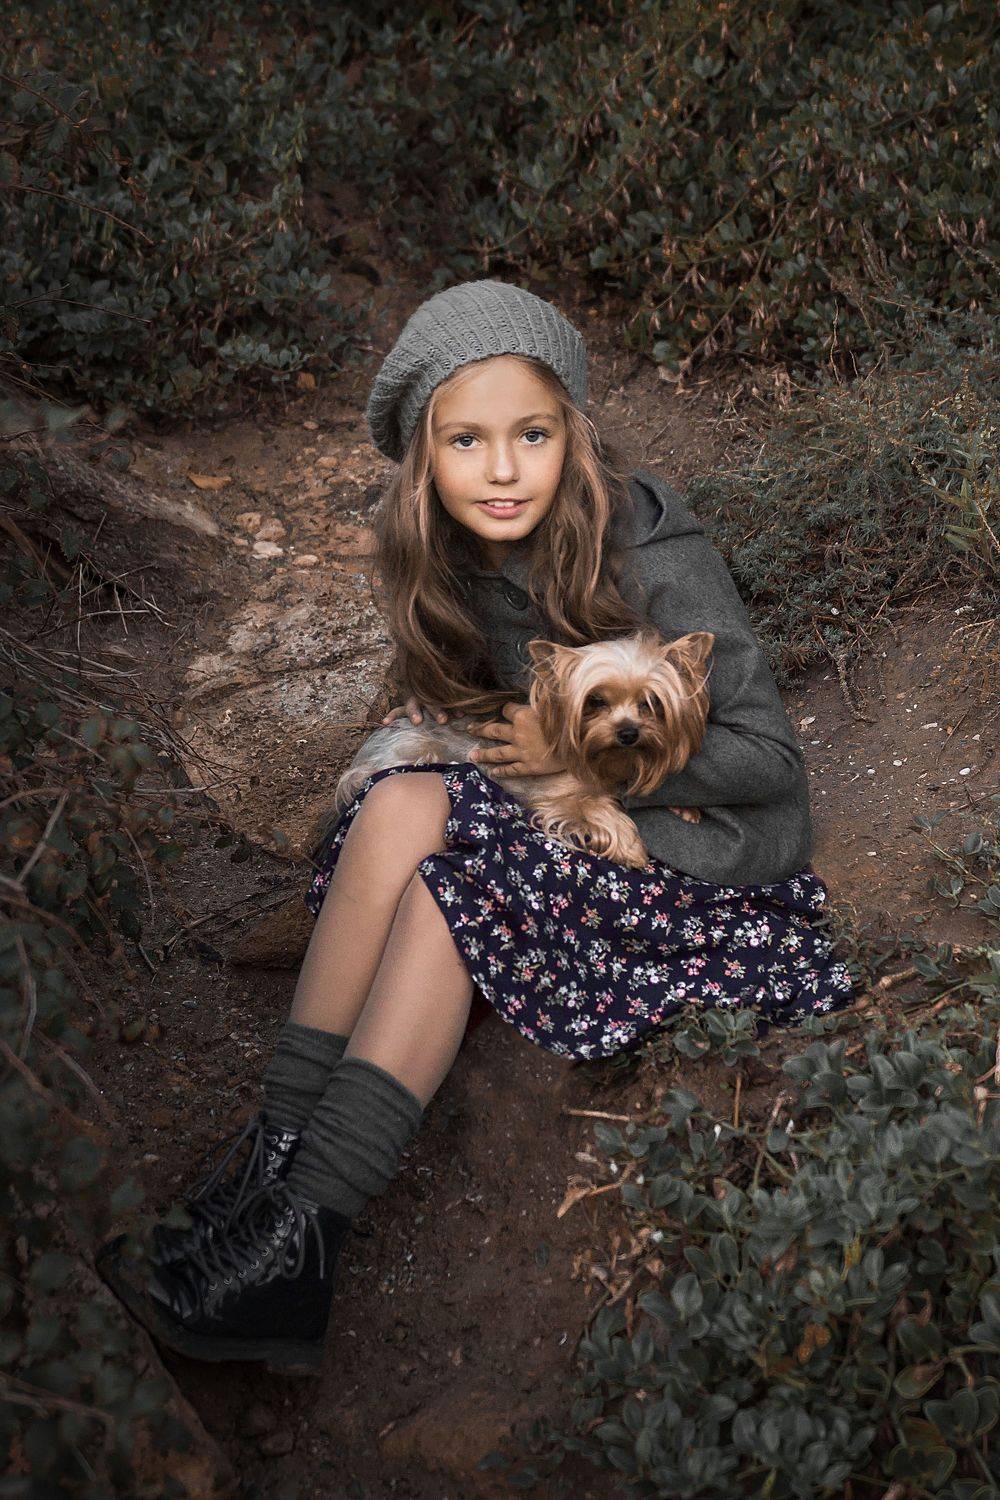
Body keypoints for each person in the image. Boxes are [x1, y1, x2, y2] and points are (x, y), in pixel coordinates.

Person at [98, 279, 855, 1370]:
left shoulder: (651, 546)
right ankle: (265, 1180)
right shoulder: (456, 551)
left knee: (452, 893)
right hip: (577, 822)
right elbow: (483, 702)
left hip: (702, 862)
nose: (502, 469)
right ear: (423, 457)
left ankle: (302, 1237)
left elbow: (773, 763)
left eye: (532, 435)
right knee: (403, 800)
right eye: (467, 441)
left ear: (573, 435)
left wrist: (576, 758)